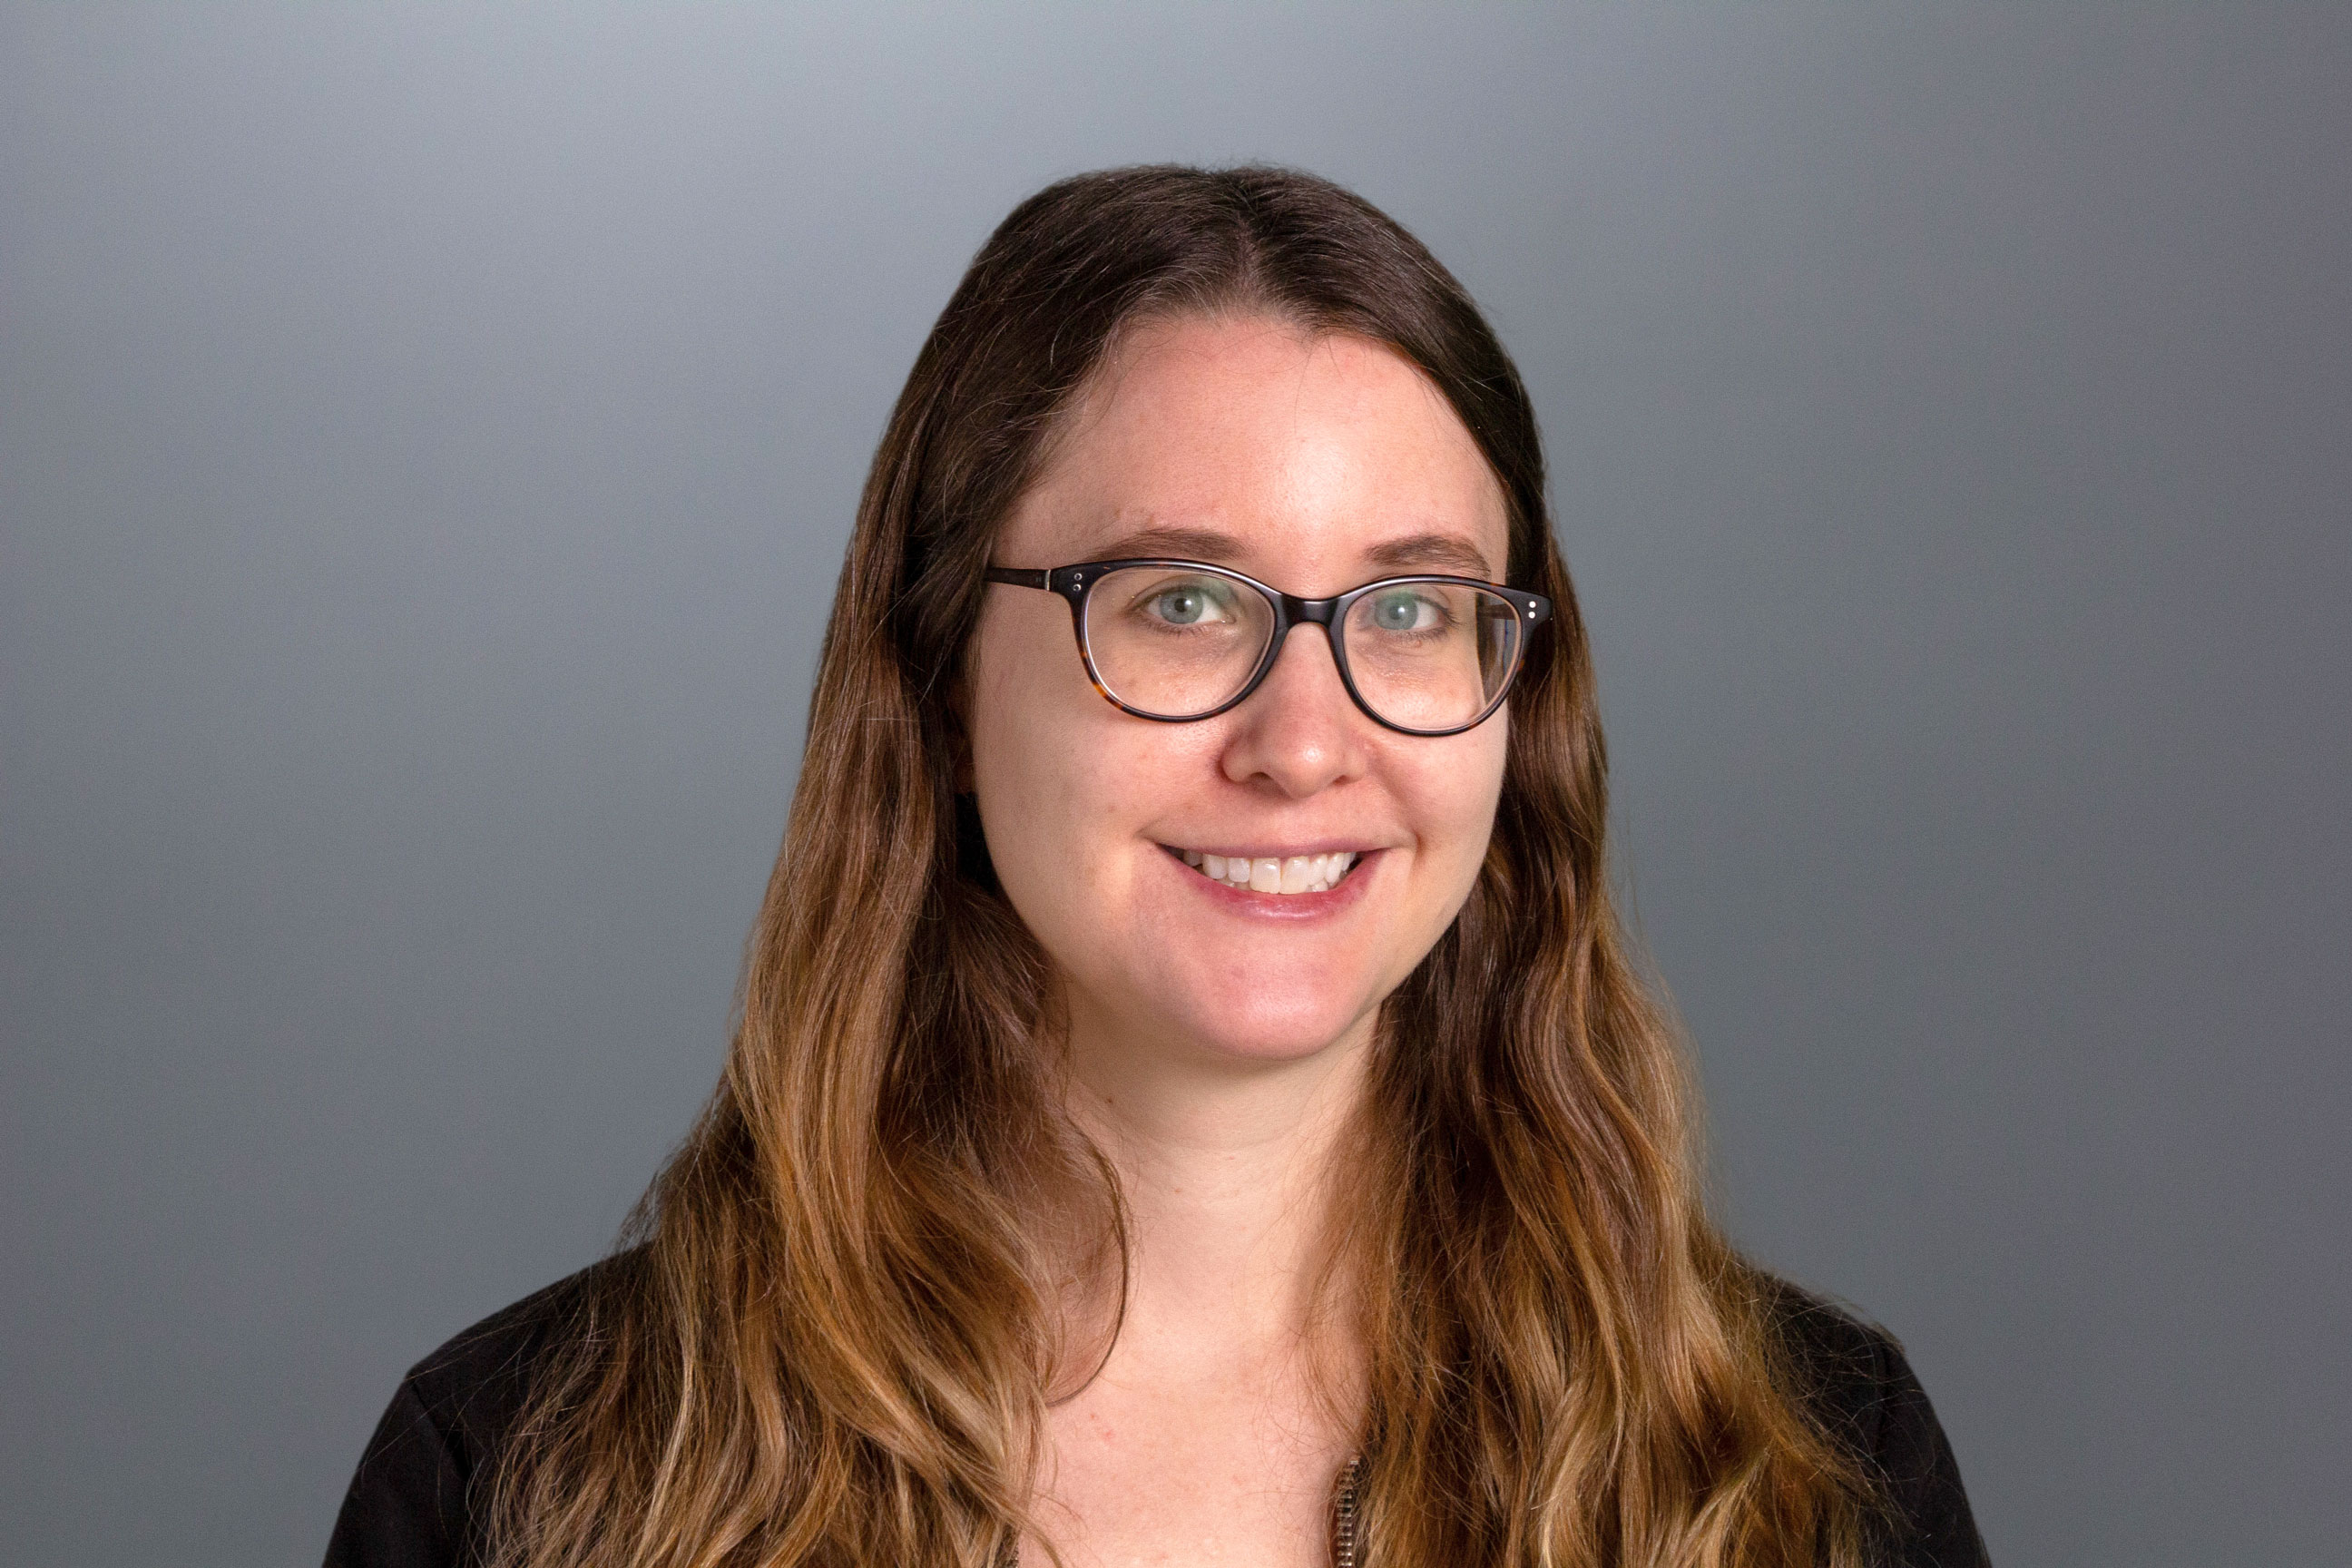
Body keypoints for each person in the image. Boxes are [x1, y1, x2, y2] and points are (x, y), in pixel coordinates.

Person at [324, 164, 1988, 1568]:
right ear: (939, 674)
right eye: (1182, 602)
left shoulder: (1808, 1476)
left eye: (1411, 610)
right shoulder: (531, 1483)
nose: (1304, 742)